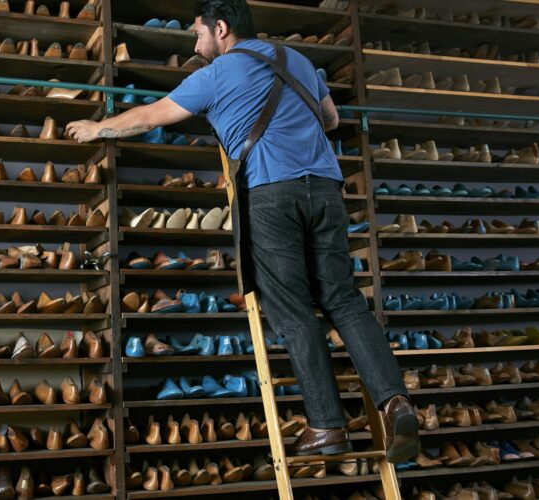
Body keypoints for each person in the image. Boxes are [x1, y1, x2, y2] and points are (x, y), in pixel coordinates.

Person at [65, 0, 420, 463]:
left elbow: (151, 115)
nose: (196, 44)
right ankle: (395, 402)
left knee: (292, 310)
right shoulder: (299, 61)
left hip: (272, 192)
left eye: (198, 35)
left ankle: (328, 427)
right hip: (327, 189)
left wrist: (98, 128)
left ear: (221, 28)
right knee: (345, 300)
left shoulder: (215, 75)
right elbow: (330, 121)